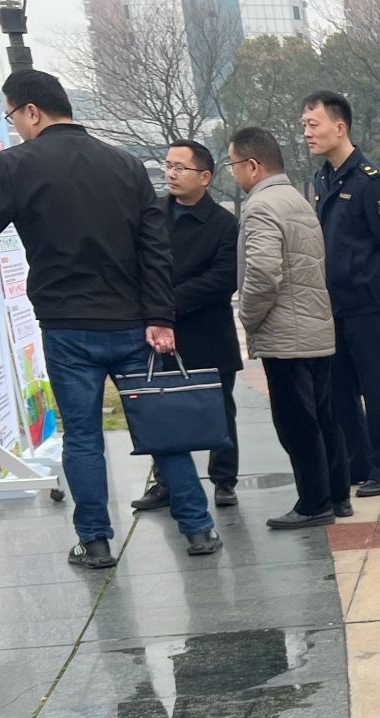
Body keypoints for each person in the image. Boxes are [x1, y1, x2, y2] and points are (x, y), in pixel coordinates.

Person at [0, 70, 217, 567]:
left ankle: (95, 542)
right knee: (162, 428)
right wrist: (160, 316)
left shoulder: (17, 165)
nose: (16, 127)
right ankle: (199, 530)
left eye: (13, 117)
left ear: (32, 111)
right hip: (133, 324)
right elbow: (155, 249)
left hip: (68, 328)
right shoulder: (125, 165)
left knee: (82, 437)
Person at [228, 126, 350, 530]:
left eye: (233, 164)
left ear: (252, 165)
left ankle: (314, 503)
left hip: (286, 334)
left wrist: (248, 316)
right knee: (324, 417)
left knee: (297, 424)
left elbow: (264, 273)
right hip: (315, 328)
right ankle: (337, 495)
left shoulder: (261, 206)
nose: (233, 173)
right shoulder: (297, 199)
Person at [305, 89, 380, 499]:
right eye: (305, 125)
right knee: (341, 391)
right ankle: (360, 462)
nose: (307, 133)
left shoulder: (372, 183)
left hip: (368, 304)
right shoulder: (322, 179)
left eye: (313, 124)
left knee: (376, 388)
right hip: (334, 305)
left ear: (340, 127)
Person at [134, 139, 241, 515]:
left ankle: (224, 480)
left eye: (180, 168)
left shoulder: (224, 223)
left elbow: (223, 278)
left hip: (207, 330)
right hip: (160, 330)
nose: (171, 174)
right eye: (168, 166)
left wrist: (167, 301)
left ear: (205, 176)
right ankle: (165, 482)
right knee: (162, 409)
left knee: (219, 409)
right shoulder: (151, 214)